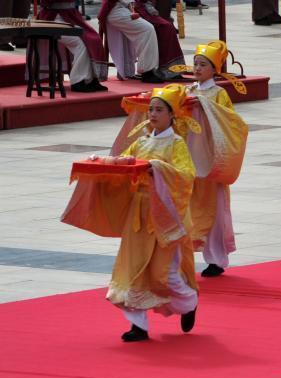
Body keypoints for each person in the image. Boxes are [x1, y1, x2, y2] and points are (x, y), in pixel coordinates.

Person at [61, 84, 198, 342]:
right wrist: (103, 163)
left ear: (172, 115)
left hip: (166, 216)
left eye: (159, 110)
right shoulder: (141, 142)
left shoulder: (177, 145)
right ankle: (139, 325)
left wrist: (155, 167)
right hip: (139, 213)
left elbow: (186, 177)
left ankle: (189, 303)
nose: (153, 114)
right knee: (131, 267)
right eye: (151, 110)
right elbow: (125, 165)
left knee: (164, 274)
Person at [184, 40, 249, 278]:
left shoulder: (219, 94)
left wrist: (203, 107)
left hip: (212, 157)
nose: (198, 68)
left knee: (215, 208)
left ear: (214, 69)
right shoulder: (188, 91)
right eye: (196, 64)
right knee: (190, 205)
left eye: (203, 65)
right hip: (190, 156)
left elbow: (229, 123)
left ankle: (216, 258)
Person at [36, 0, 109, 92]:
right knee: (82, 44)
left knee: (94, 39)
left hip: (70, 15)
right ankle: (78, 81)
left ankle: (91, 79)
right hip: (54, 18)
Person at [98, 0, 169, 82]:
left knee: (151, 28)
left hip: (125, 8)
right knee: (147, 29)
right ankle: (147, 71)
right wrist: (102, 14)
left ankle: (128, 71)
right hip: (116, 10)